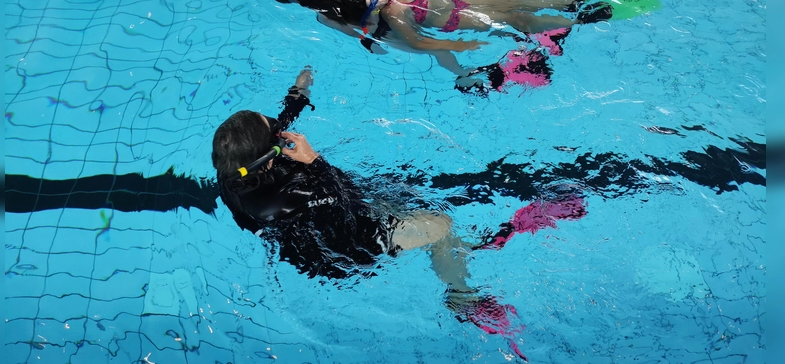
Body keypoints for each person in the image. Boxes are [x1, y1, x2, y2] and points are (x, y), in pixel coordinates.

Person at [212, 68, 588, 359]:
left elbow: (275, 128)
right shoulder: (294, 195)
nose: (279, 128)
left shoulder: (234, 172)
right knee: (441, 226)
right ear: (269, 155)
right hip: (348, 247)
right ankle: (462, 295)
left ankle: (451, 250)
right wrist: (316, 162)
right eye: (273, 130)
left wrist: (298, 95)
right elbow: (346, 204)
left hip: (317, 222)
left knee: (400, 197)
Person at [272, 0, 660, 88]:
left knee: (513, 0)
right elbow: (420, 43)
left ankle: (571, 1)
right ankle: (582, 19)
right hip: (453, 17)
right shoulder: (390, 11)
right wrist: (456, 46)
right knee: (518, 18)